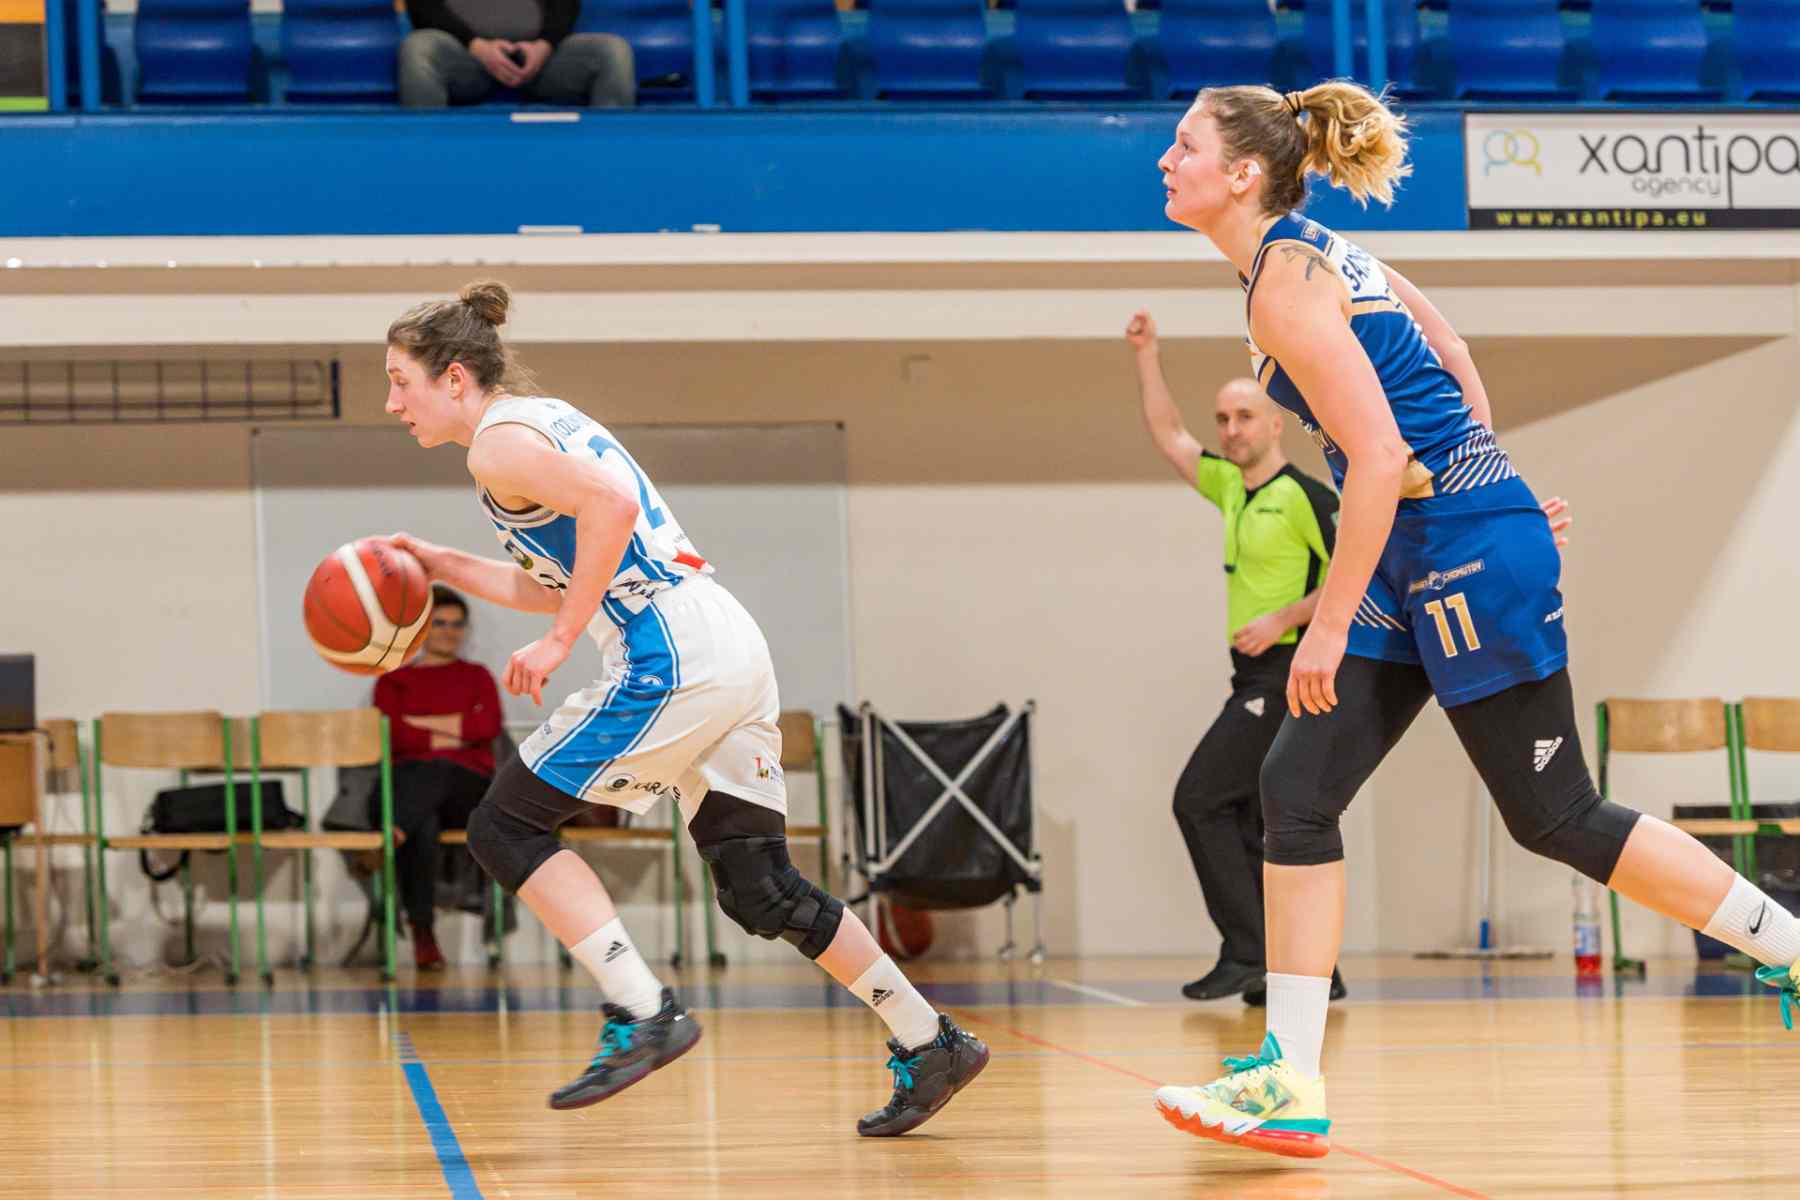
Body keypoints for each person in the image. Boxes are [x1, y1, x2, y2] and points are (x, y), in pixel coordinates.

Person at [1146, 81, 1799, 1160]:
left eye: (1183, 145)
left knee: (1556, 815)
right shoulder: (1308, 258)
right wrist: (1488, 478)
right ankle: (1291, 1077)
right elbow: (1447, 349)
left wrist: (1338, 614)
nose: (1166, 161)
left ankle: (1785, 944)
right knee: (1295, 792)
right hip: (1432, 540)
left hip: (1453, 546)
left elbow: (1380, 458)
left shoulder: (1286, 286)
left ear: (1243, 173)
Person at [381, 281, 988, 1134]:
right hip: (721, 637)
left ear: (452, 377)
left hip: (670, 649)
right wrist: (442, 562)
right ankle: (931, 1041)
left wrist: (559, 642)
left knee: (503, 826)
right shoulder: (538, 422)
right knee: (760, 886)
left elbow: (611, 510)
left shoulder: (498, 446)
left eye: (399, 381)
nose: (392, 402)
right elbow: (563, 573)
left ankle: (641, 1009)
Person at [1125, 328, 1346, 1005]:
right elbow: (1170, 435)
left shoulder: (1305, 496)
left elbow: (1358, 574)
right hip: (1249, 677)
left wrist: (1285, 618)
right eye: (1222, 418)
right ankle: (1303, 969)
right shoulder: (1230, 488)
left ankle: (1247, 952)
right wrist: (1146, 356)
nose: (1230, 429)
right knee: (1252, 821)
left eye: (1245, 415)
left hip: (1288, 676)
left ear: (1276, 424)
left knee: (1199, 799)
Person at [371, 585, 503, 970]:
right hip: (409, 785)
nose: (449, 632)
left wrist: (421, 725)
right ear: (422, 630)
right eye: (440, 623)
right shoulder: (392, 680)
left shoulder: (477, 676)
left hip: (466, 791)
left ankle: (393, 830)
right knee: (423, 822)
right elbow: (393, 735)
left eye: (457, 624)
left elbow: (487, 726)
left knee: (440, 769)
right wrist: (455, 729)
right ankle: (424, 935)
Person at [397, 0, 635, 110]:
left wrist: (545, 44)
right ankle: (424, 156)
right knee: (419, 48)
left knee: (612, 51)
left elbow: (565, 5)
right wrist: (476, 46)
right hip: (466, 57)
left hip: (541, 59)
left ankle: (612, 159)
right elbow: (421, 7)